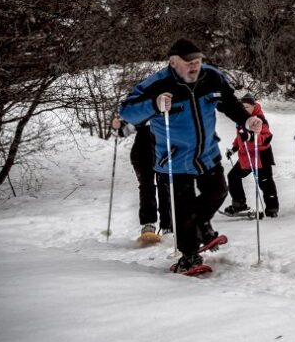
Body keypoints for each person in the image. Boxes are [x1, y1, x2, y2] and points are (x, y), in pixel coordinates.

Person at [119, 38, 262, 273]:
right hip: (174, 159)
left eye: (198, 61)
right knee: (183, 209)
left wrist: (247, 120)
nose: (195, 66)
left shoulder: (211, 77)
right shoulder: (158, 84)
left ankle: (202, 226)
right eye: (189, 62)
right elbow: (127, 111)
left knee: (218, 192)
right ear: (173, 62)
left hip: (207, 154)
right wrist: (154, 105)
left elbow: (229, 102)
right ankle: (189, 256)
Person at [110, 115, 172, 238]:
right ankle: (148, 225)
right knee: (147, 187)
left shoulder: (172, 108)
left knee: (165, 187)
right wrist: (118, 125)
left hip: (165, 154)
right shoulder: (143, 110)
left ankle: (168, 226)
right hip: (142, 155)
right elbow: (126, 130)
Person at [224, 93, 280, 218]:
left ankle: (272, 208)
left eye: (247, 106)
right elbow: (239, 137)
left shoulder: (259, 120)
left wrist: (251, 137)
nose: (245, 109)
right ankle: (239, 204)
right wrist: (233, 149)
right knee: (233, 176)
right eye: (242, 107)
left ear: (254, 106)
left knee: (265, 182)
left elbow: (266, 137)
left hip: (261, 157)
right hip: (246, 157)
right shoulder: (242, 119)